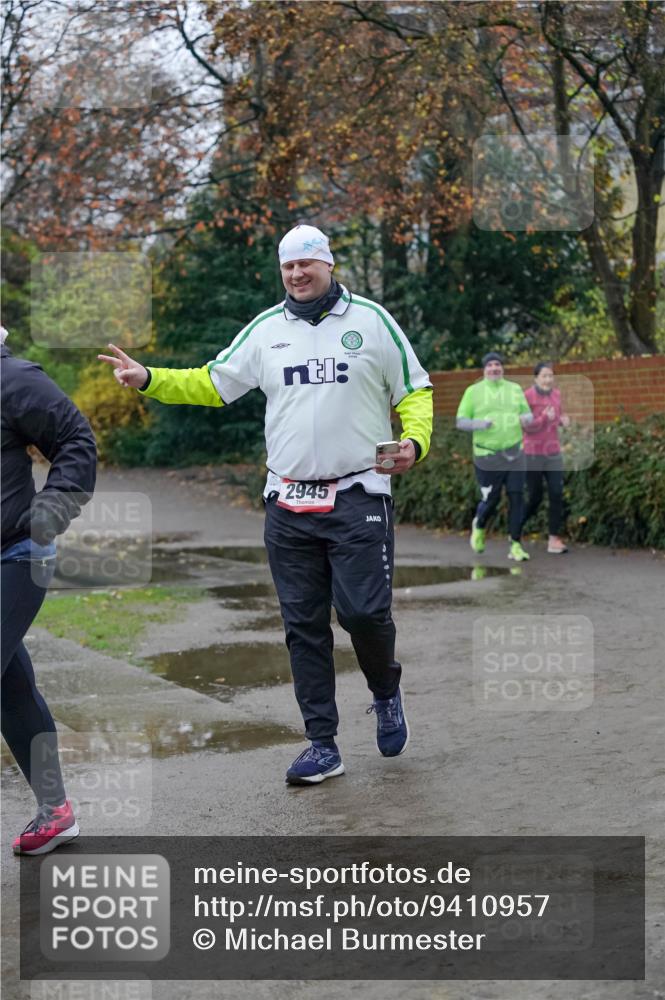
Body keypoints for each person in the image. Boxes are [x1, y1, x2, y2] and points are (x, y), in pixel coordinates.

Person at [99, 224, 433, 786]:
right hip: (287, 501)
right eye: (288, 267)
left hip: (358, 496)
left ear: (328, 264)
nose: (298, 275)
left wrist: (414, 442)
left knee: (363, 615)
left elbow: (416, 390)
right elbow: (213, 382)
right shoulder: (265, 331)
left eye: (307, 264)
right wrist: (149, 378)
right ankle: (322, 744)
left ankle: (385, 690)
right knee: (303, 626)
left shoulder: (372, 322)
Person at [1, 326, 97, 853]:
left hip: (16, 553)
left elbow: (76, 440)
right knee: (10, 688)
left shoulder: (13, 379)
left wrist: (51, 511)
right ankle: (55, 812)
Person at [456, 352, 532, 562]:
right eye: (490, 365)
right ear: (484, 370)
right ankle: (479, 524)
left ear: (502, 368)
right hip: (486, 455)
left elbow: (528, 414)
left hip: (515, 452)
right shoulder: (473, 391)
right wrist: (480, 424)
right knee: (491, 499)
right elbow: (461, 421)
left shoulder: (515, 389)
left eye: (497, 364)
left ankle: (516, 544)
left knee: (517, 497)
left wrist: (526, 419)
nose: (494, 368)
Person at [521, 362, 570, 554]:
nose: (548, 379)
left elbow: (557, 417)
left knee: (557, 493)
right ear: (536, 378)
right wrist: (544, 418)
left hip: (553, 452)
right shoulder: (527, 396)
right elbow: (526, 426)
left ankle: (553, 540)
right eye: (544, 376)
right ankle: (514, 528)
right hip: (533, 453)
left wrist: (562, 420)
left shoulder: (556, 394)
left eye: (550, 376)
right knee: (535, 497)